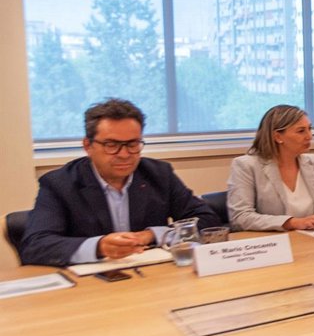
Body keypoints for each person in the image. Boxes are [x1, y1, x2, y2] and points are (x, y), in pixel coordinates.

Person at [19, 98, 218, 267]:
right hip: (91, 285)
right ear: (88, 146)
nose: (124, 154)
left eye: (132, 144)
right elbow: (35, 245)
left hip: (153, 277)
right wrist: (99, 247)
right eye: (111, 145)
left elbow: (206, 220)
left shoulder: (159, 174)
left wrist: (152, 235)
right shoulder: (59, 184)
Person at [226, 105, 314, 232]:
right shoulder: (246, 166)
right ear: (278, 137)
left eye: (309, 129)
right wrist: (292, 223)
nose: (309, 136)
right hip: (273, 240)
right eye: (301, 131)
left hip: (313, 238)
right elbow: (240, 217)